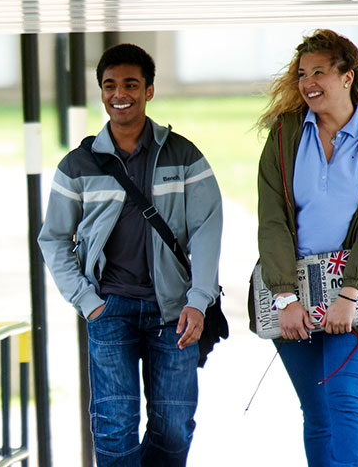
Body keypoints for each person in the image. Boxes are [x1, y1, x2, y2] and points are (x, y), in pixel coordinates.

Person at [38, 43, 223, 466]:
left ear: (149, 90)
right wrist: (87, 301)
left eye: (130, 84)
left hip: (174, 311)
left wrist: (199, 300)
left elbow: (207, 229)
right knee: (114, 427)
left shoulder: (184, 155)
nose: (119, 94)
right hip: (109, 308)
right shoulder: (78, 165)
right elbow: (54, 239)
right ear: (102, 91)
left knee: (173, 428)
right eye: (110, 85)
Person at [255, 29, 358, 467]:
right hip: (293, 293)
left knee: (344, 396)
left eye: (319, 72)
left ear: (348, 77)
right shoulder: (285, 135)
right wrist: (285, 297)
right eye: (302, 74)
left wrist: (349, 293)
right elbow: (272, 219)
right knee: (317, 412)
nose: (308, 83)